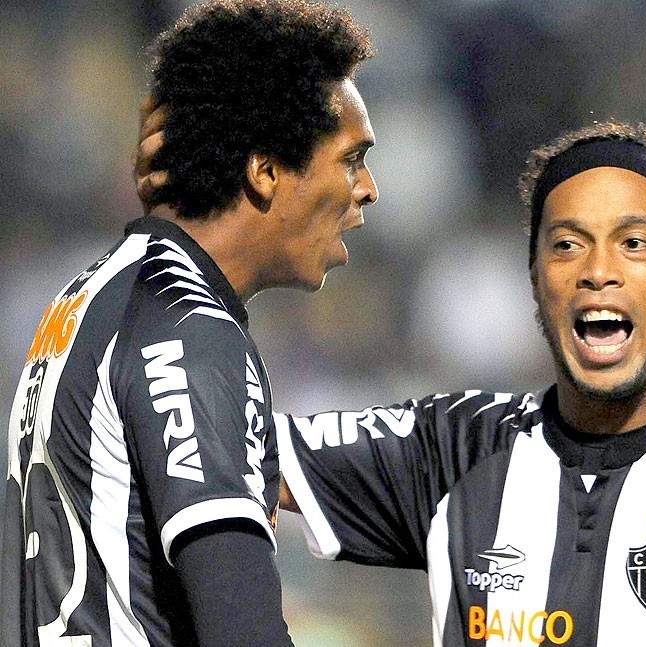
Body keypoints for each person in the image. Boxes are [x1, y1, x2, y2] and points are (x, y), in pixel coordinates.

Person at [271, 121, 646, 646]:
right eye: (567, 245)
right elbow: (246, 451)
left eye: (633, 243)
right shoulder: (457, 447)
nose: (598, 270)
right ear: (534, 277)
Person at [1, 1, 377, 645]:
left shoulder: (92, 294)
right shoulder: (190, 330)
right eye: (351, 158)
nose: (367, 188)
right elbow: (239, 623)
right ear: (265, 172)